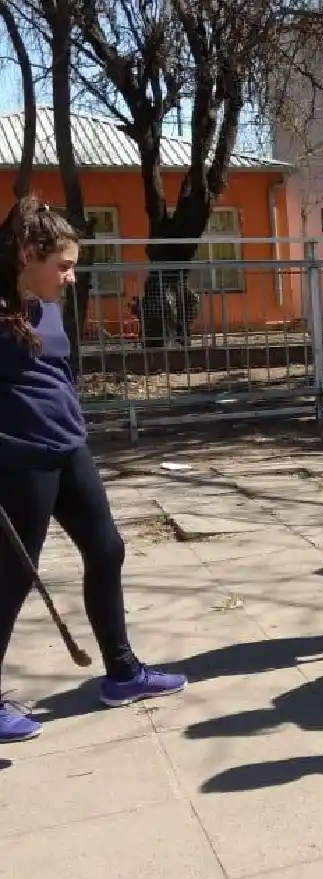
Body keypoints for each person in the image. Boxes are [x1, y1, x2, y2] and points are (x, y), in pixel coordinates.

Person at [0, 197, 187, 743]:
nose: (71, 276)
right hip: (20, 460)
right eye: (62, 265)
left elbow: (57, 372)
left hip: (69, 449)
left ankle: (123, 673)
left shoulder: (46, 306)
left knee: (107, 550)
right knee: (13, 578)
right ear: (27, 256)